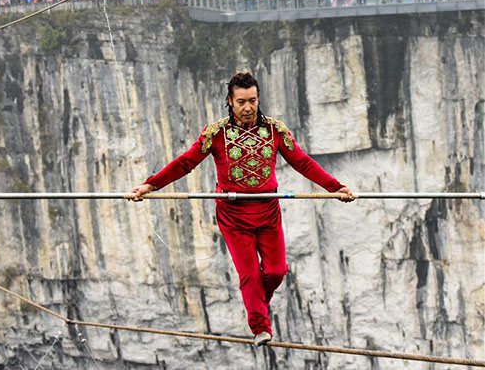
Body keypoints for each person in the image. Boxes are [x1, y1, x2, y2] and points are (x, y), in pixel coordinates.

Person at [131, 72, 354, 346]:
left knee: (276, 271)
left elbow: (302, 162)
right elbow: (185, 163)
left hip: (268, 211)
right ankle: (259, 325)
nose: (248, 108)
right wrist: (150, 185)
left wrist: (335, 187)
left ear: (258, 99)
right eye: (241, 102)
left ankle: (257, 301)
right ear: (230, 101)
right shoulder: (216, 133)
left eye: (253, 101)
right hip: (233, 214)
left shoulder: (275, 131)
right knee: (249, 274)